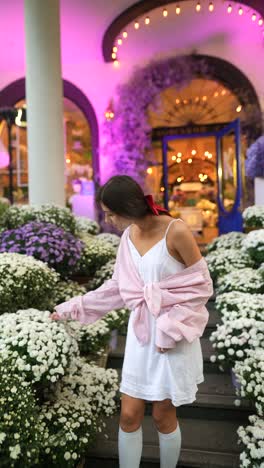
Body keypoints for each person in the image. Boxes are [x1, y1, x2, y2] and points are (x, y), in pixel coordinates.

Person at [51, 175, 213, 468]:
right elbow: (118, 288)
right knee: (128, 415)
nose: (109, 220)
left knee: (164, 416)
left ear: (128, 206)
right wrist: (72, 307)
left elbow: (202, 286)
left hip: (170, 337)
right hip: (141, 337)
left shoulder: (176, 231)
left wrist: (171, 326)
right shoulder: (127, 237)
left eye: (111, 213)